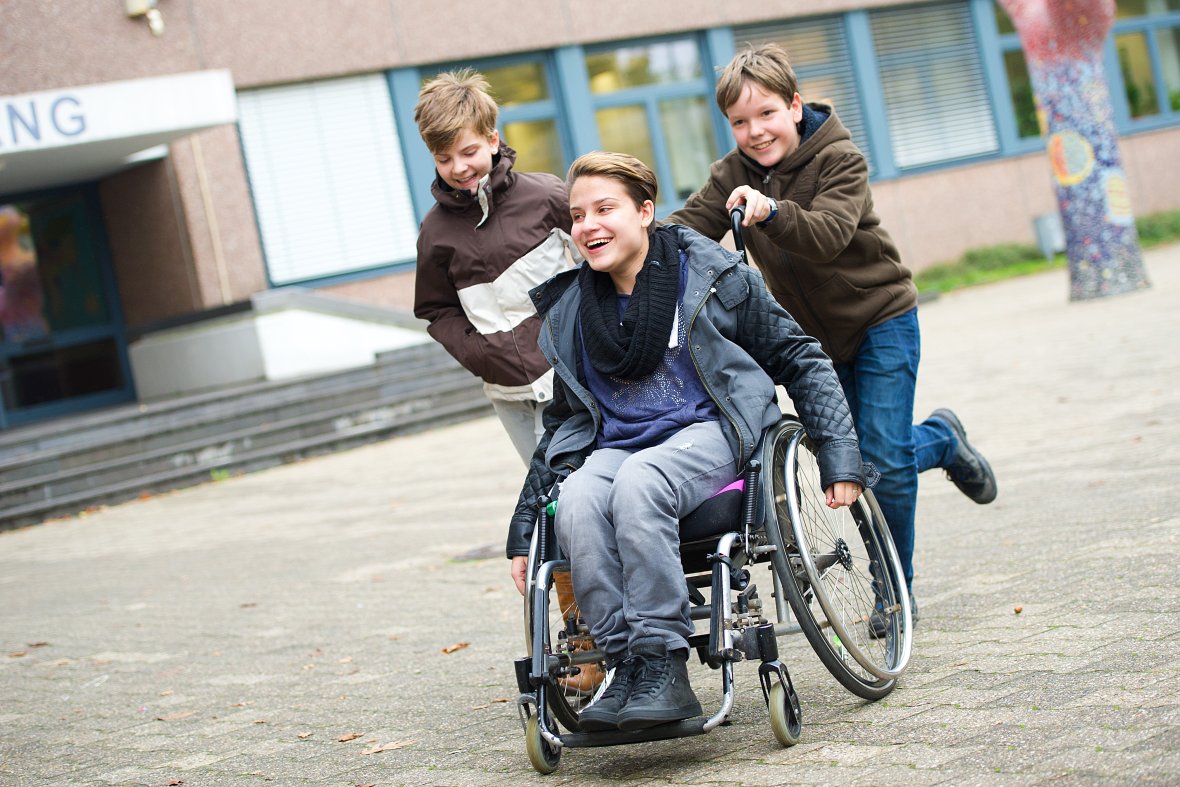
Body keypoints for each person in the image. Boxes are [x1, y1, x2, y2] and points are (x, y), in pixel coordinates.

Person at [507, 152, 874, 732]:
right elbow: (563, 426)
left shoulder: (710, 275)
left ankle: (662, 662)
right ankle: (621, 661)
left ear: (645, 212)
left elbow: (800, 356)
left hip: (712, 433)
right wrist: (524, 527)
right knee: (576, 499)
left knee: (638, 482)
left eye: (606, 209)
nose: (588, 226)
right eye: (578, 216)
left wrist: (838, 454)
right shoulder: (574, 309)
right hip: (619, 444)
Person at [667, 44, 997, 631]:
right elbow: (684, 232)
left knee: (882, 463)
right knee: (852, 459)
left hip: (881, 319)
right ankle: (942, 440)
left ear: (794, 106)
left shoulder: (840, 159)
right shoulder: (732, 175)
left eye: (766, 113)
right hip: (812, 346)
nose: (755, 131)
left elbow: (827, 236)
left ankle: (894, 593)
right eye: (739, 122)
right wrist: (630, 241)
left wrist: (770, 212)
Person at [413, 69, 576, 467]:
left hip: (571, 377)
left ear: (492, 139)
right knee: (545, 502)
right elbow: (435, 309)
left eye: (468, 152)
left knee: (586, 488)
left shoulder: (547, 195)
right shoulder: (435, 232)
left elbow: (603, 258)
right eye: (443, 158)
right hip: (507, 391)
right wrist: (481, 353)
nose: (459, 167)